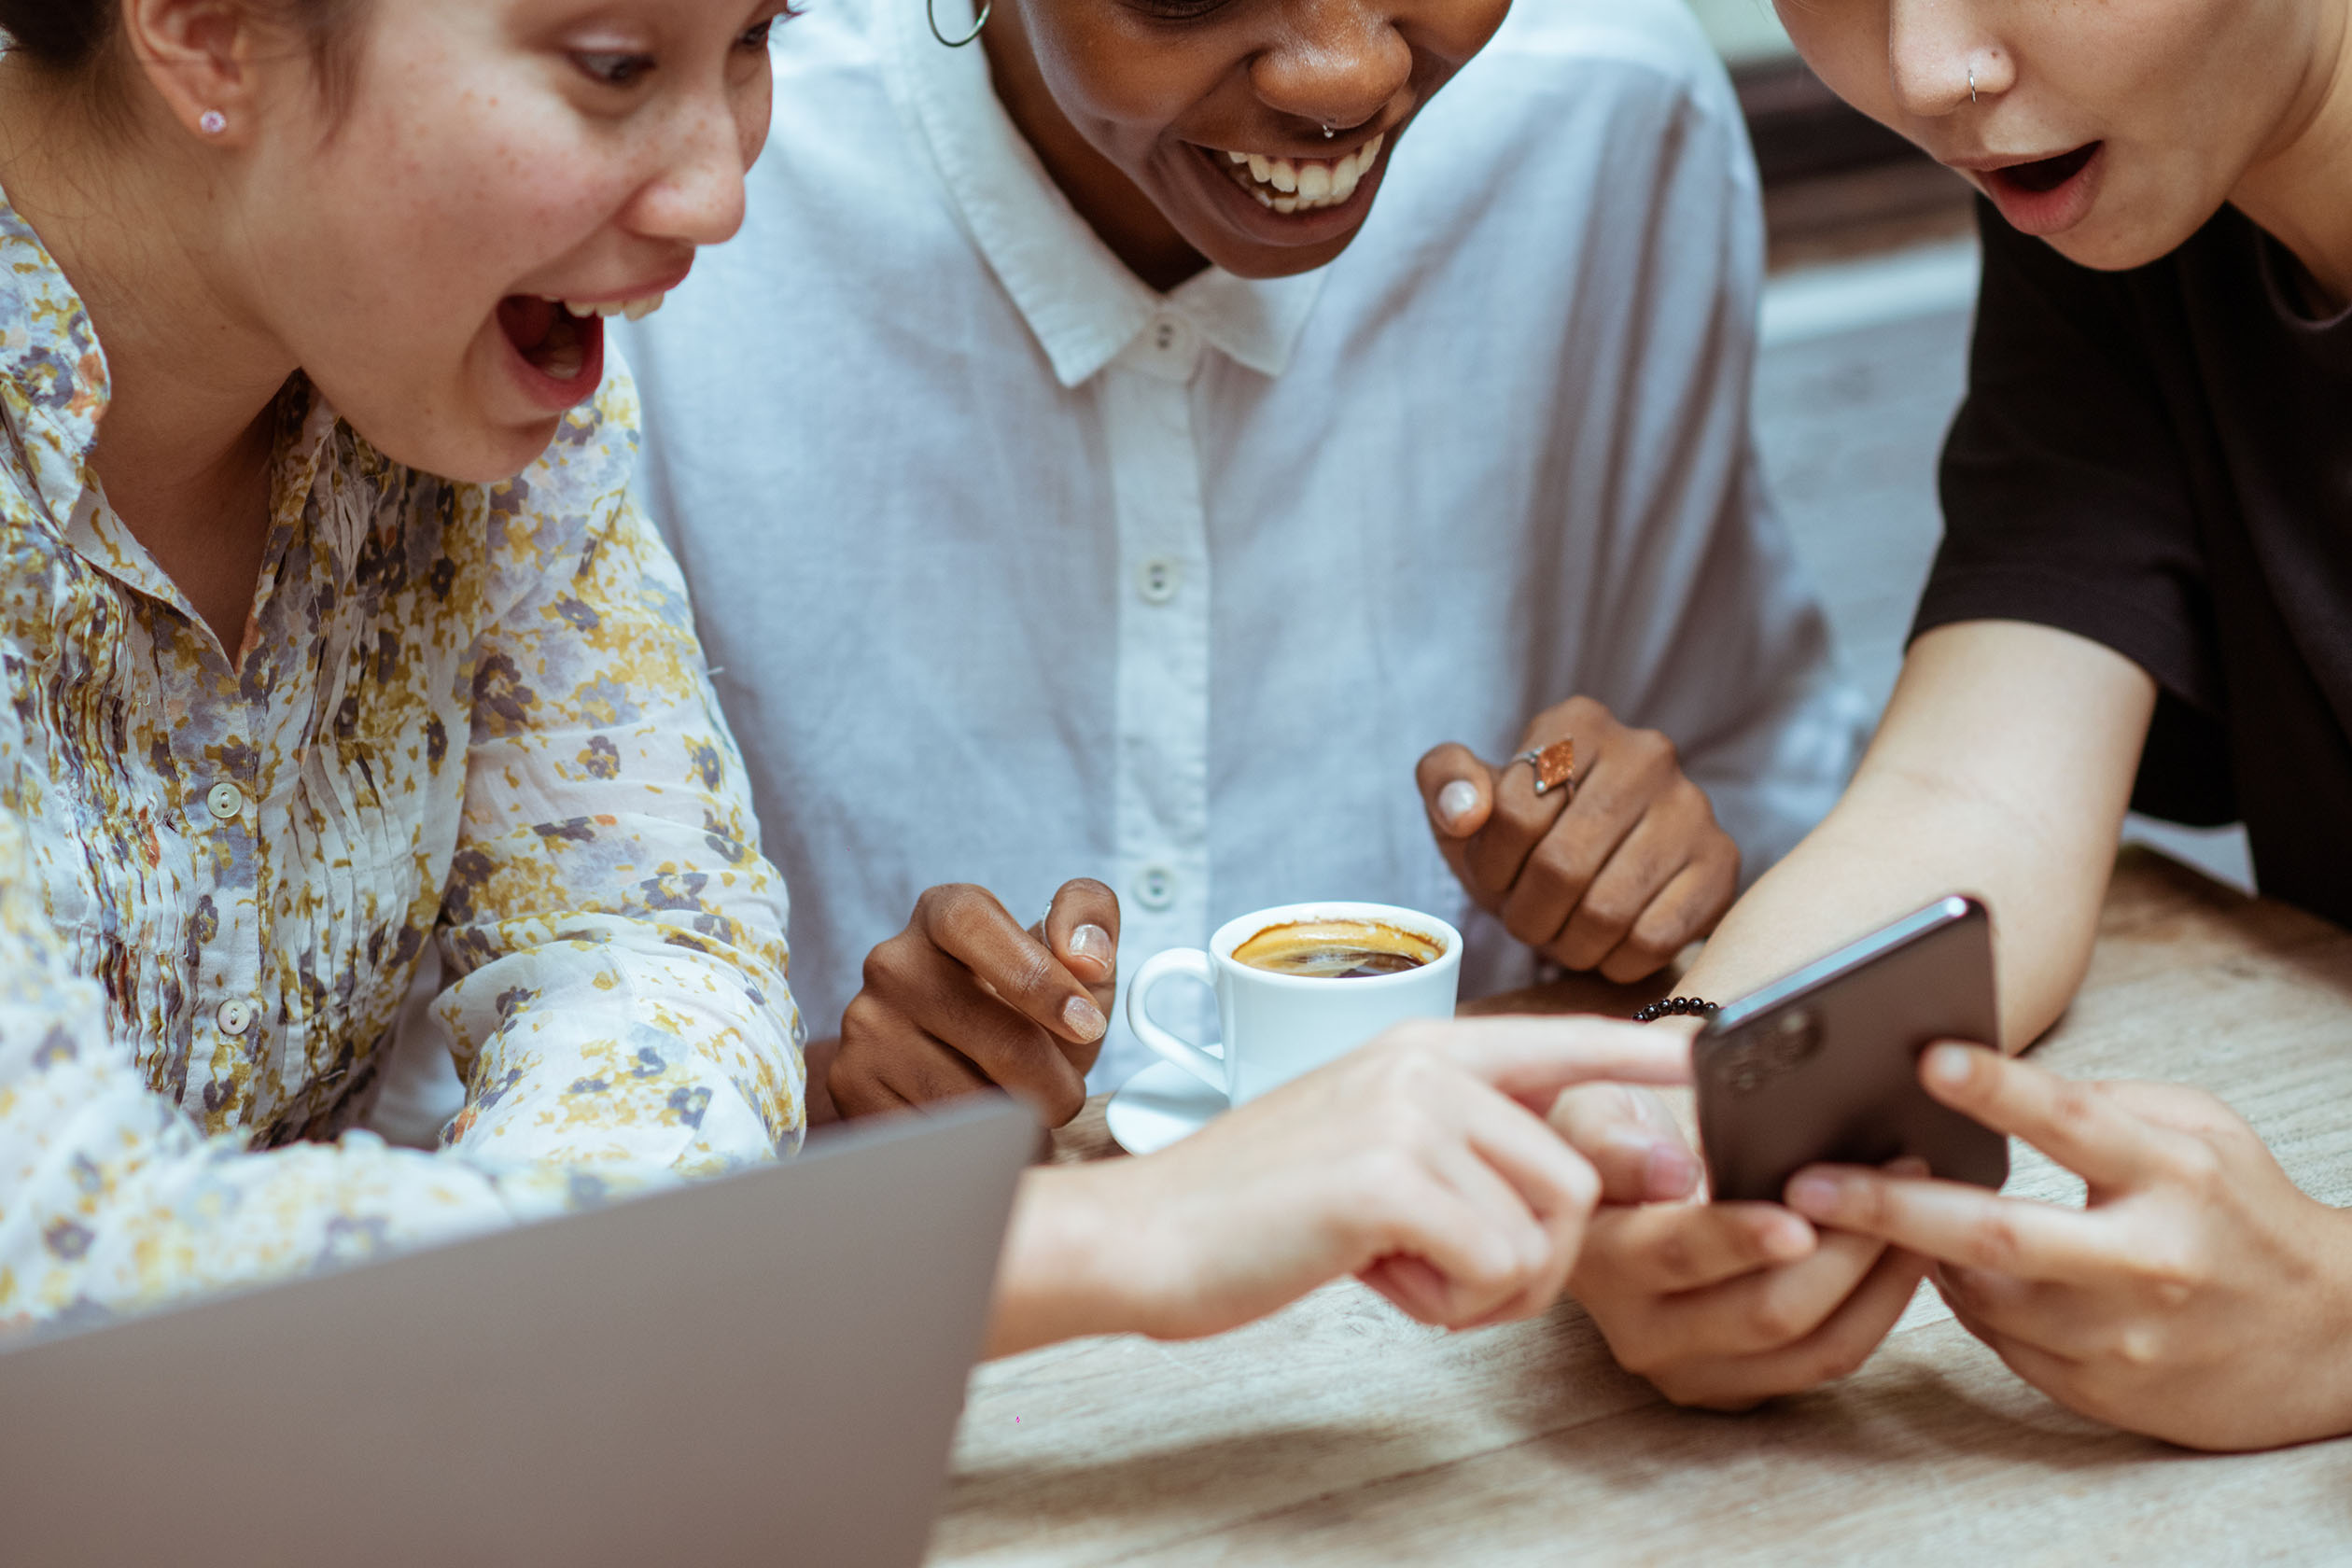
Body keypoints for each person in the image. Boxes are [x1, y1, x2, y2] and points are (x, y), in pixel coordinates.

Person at [0, 0, 1685, 1358]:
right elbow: (58, 1265)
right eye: (614, 66)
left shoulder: (454, 367)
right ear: (205, 33)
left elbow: (655, 970)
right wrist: (1123, 1239)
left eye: (755, 38)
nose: (719, 196)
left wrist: (572, 1329)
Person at [610, 0, 1868, 1124]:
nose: (1346, 70)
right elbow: (534, 1040)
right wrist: (816, 1097)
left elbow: (1773, 814)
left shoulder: (1604, 111)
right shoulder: (688, 213)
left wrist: (1647, 894)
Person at [1558, 0, 2352, 1453]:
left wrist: (2341, 1325)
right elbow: (1977, 798)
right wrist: (1667, 1112)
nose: (1929, 73)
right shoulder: (2135, 196)